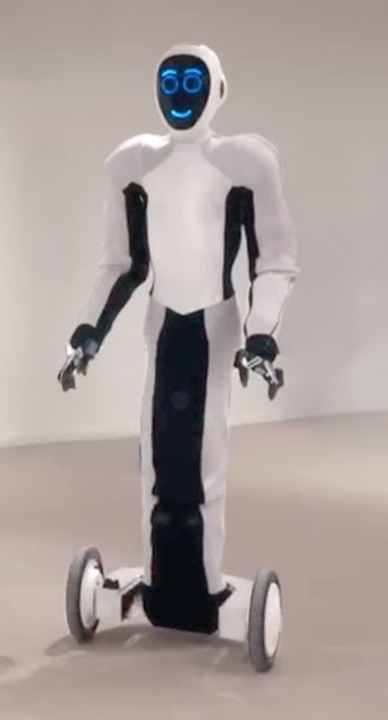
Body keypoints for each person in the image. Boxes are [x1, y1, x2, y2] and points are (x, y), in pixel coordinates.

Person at [58, 43, 298, 634]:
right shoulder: (132, 164)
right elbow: (122, 264)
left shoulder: (245, 163)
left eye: (193, 82)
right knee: (156, 454)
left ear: (218, 89)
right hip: (162, 320)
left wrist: (261, 334)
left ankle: (206, 587)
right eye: (171, 83)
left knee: (205, 459)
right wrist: (87, 334)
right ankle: (160, 584)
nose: (181, 95)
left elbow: (273, 259)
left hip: (216, 323)